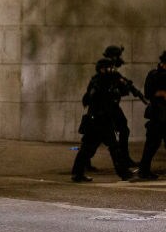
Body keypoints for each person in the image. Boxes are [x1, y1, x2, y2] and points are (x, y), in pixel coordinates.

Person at [71, 58, 133, 182]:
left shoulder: (110, 80)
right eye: (109, 68)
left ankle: (123, 173)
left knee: (109, 147)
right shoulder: (98, 81)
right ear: (102, 69)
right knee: (90, 149)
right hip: (97, 120)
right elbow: (90, 99)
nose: (112, 70)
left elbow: (122, 92)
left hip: (104, 120)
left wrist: (123, 84)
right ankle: (123, 173)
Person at [137, 51, 166, 179]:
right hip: (157, 115)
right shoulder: (154, 75)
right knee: (152, 144)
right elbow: (148, 93)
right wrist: (161, 93)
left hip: (162, 114)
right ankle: (143, 171)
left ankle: (144, 170)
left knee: (152, 144)